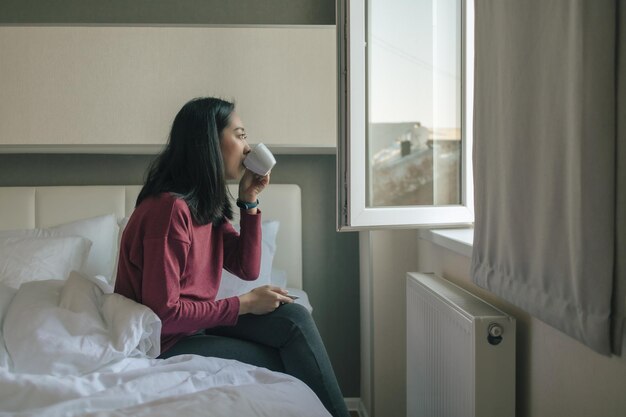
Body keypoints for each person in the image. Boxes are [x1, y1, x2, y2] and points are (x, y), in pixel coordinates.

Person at [114, 97, 349, 417]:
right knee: (288, 359)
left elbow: (247, 268)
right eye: (240, 135)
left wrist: (248, 201)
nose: (248, 148)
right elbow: (164, 315)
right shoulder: (169, 211)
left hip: (197, 327)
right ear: (209, 141)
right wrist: (246, 304)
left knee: (294, 319)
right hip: (166, 343)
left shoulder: (202, 206)